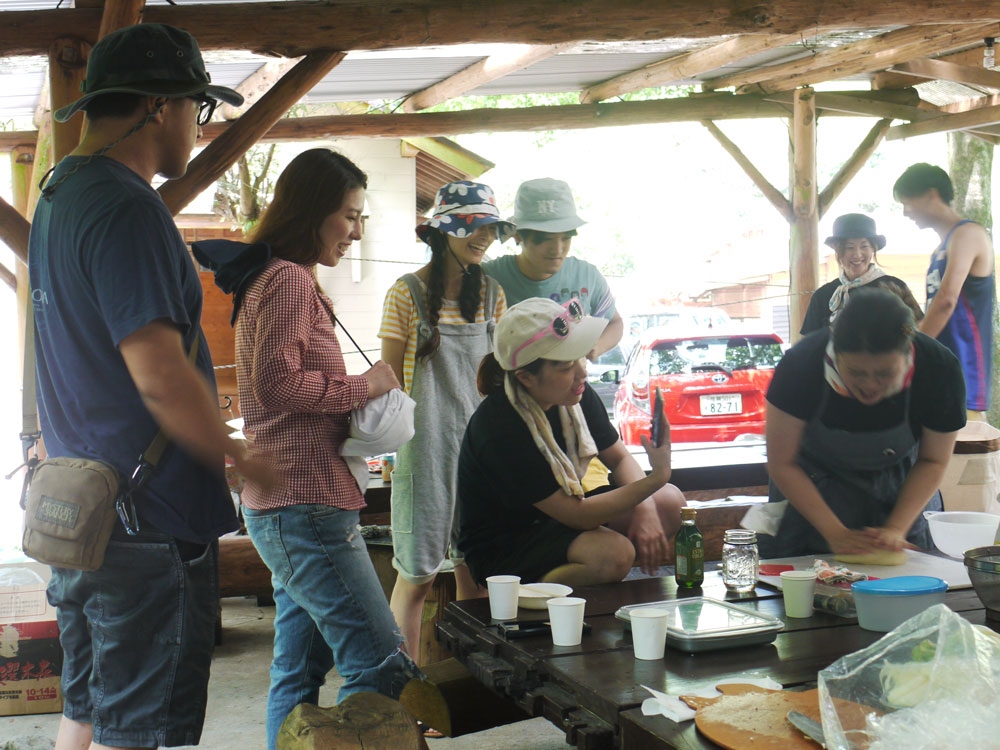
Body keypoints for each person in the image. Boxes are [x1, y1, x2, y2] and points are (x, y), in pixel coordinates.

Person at [28, 23, 271, 750]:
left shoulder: (61, 194)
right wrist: (243, 458)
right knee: (136, 728)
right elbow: (161, 377)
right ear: (161, 106)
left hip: (81, 503)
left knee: (91, 708)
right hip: (145, 515)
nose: (199, 128)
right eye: (198, 108)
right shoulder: (130, 209)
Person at [202, 149, 420, 750]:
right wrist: (366, 386)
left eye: (359, 219)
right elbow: (272, 389)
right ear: (314, 210)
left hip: (295, 502)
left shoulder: (275, 276)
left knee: (296, 673)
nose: (354, 232)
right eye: (348, 216)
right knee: (379, 663)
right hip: (307, 505)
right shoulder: (287, 279)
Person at [457, 297, 685, 587]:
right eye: (565, 366)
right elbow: (577, 515)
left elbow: (619, 458)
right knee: (614, 554)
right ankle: (522, 601)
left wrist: (647, 509)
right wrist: (656, 478)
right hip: (506, 544)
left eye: (580, 358)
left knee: (668, 502)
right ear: (526, 378)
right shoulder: (500, 429)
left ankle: (591, 585)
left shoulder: (574, 394)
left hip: (558, 518)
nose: (582, 372)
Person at [378, 180, 510, 662]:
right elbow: (387, 379)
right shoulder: (405, 294)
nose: (484, 237)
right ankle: (405, 696)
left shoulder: (493, 295)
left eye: (490, 227)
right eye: (473, 225)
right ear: (442, 230)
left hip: (481, 451)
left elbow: (502, 379)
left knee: (475, 572)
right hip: (424, 449)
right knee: (416, 577)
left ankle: (472, 691)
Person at [759, 289, 966, 559]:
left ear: (908, 356)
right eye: (856, 372)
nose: (869, 385)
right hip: (810, 498)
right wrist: (835, 533)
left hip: (900, 494)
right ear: (835, 353)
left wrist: (895, 528)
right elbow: (782, 462)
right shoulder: (800, 365)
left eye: (884, 373)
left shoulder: (939, 368)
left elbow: (932, 460)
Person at [894, 163, 996, 418]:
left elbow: (946, 301)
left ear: (931, 195)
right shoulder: (941, 248)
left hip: (965, 376)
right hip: (939, 371)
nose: (906, 213)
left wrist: (909, 351)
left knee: (963, 455)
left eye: (908, 202)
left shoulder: (968, 234)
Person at [483, 178, 623, 360]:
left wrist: (598, 346)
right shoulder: (489, 278)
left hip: (571, 385)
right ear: (518, 235)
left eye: (566, 238)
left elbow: (615, 323)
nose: (557, 249)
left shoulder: (587, 276)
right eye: (545, 239)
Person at [800, 213, 922, 335]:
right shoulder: (823, 295)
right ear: (837, 249)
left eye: (864, 246)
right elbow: (810, 343)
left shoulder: (894, 287)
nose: (857, 254)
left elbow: (915, 330)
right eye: (849, 247)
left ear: (873, 249)